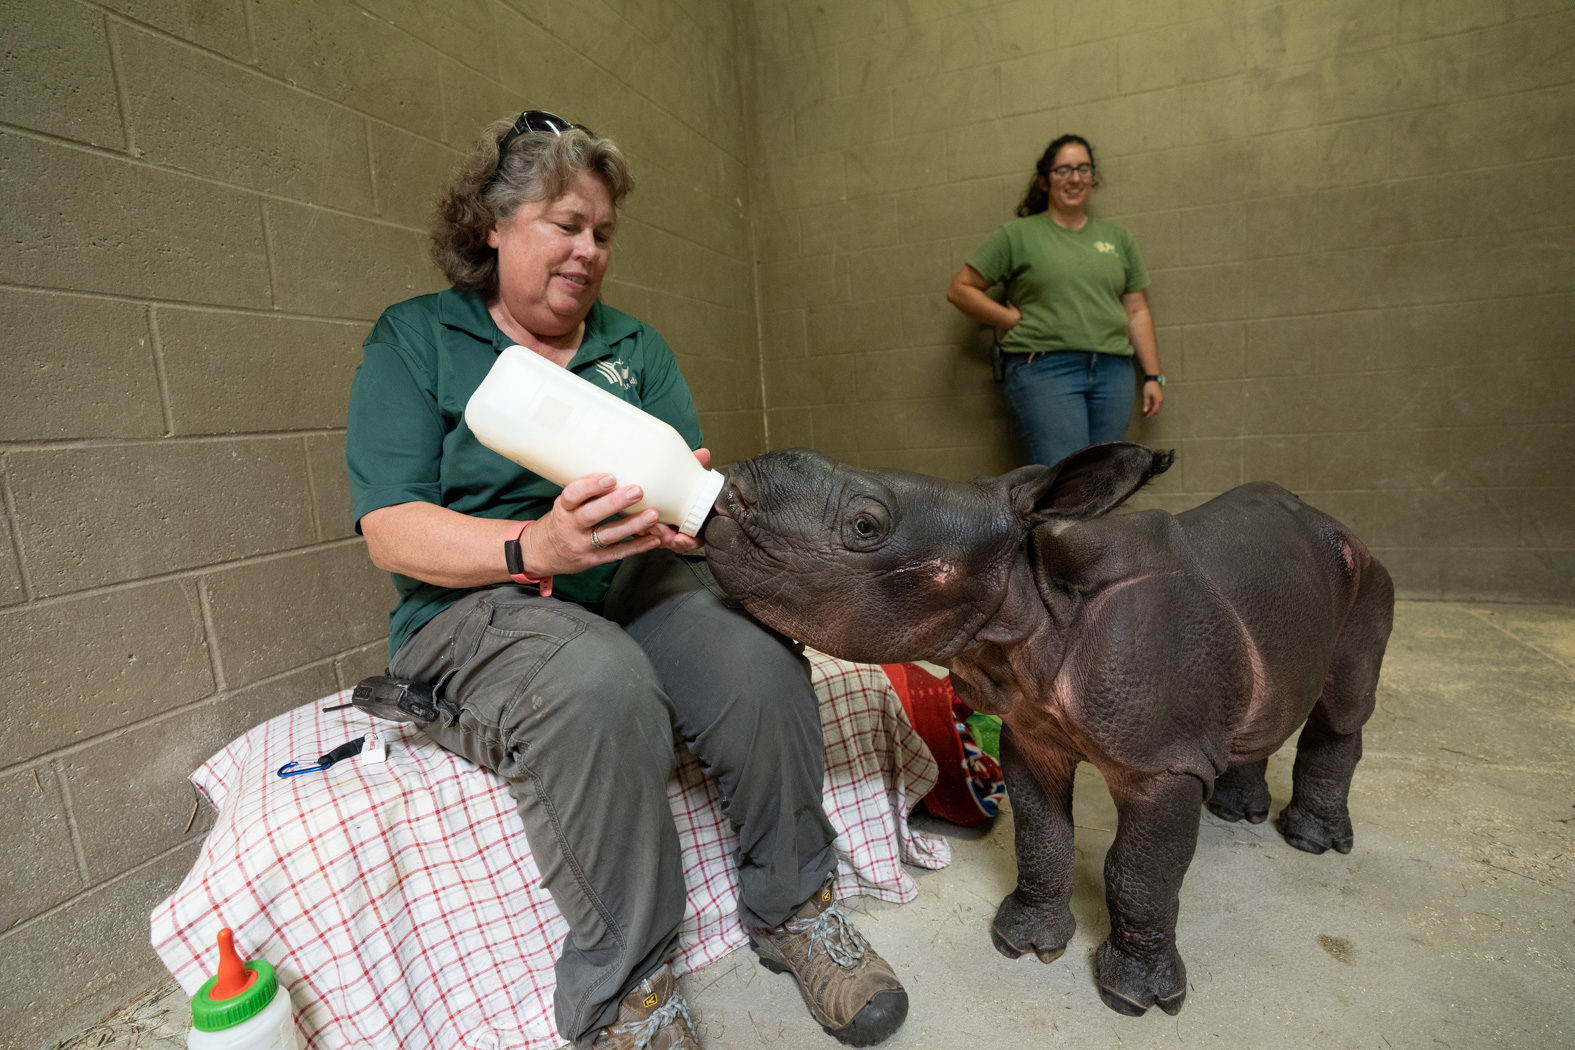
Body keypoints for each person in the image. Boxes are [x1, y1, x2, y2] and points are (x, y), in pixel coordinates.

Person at [345, 111, 908, 1050]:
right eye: (564, 225)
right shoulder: (417, 340)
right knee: (597, 683)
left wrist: (688, 517)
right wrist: (534, 548)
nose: (587, 251)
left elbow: (692, 503)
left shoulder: (632, 348)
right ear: (492, 223)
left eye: (602, 233)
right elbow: (391, 531)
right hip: (479, 605)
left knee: (753, 656)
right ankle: (628, 995)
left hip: (629, 582)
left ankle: (794, 909)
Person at [946, 133, 1165, 467]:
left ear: (1093, 177)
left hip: (1113, 372)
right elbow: (961, 289)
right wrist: (1009, 320)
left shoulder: (1118, 239)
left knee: (1106, 480)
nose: (1074, 178)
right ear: (1044, 180)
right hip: (1045, 369)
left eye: (1083, 169)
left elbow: (1136, 311)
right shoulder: (1017, 235)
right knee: (1064, 485)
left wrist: (1152, 376)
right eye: (1063, 170)